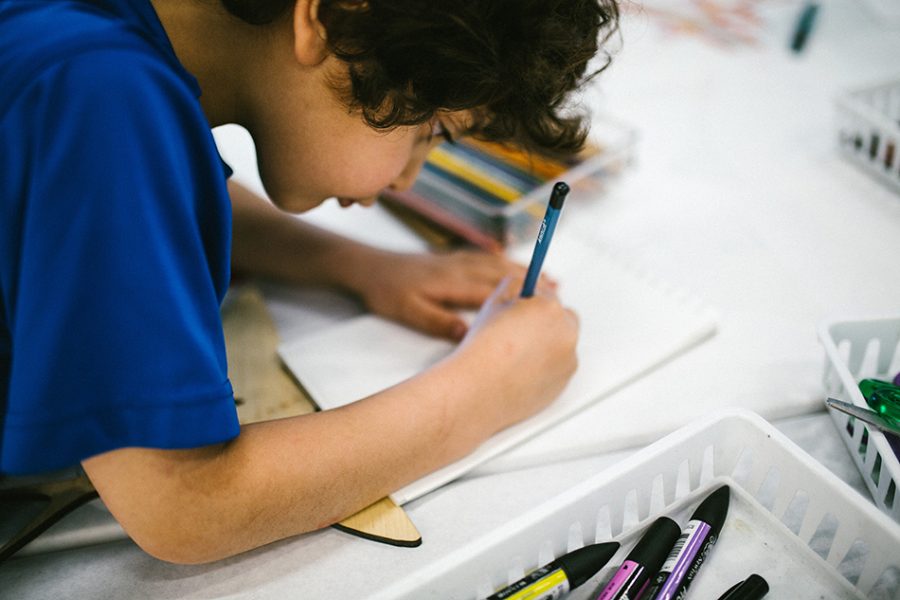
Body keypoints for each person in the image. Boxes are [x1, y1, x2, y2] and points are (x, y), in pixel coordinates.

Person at [0, 0, 619, 563]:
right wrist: (487, 388)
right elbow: (184, 503)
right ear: (326, 19)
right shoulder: (102, 95)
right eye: (428, 132)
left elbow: (133, 212)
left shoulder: (98, 40)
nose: (407, 180)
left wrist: (358, 266)